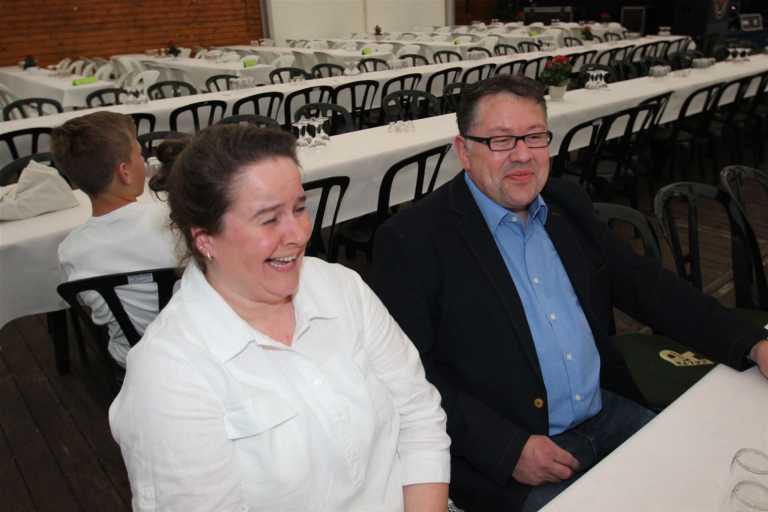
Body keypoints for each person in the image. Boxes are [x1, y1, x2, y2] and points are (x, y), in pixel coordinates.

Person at [370, 75, 768, 511]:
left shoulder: (565, 203)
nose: (523, 155)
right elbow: (409, 377)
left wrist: (751, 342)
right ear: (464, 151)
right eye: (501, 140)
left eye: (535, 136)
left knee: (710, 484)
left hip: (606, 411)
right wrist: (506, 449)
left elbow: (648, 286)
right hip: (515, 453)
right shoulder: (413, 240)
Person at [108, 125, 451, 511]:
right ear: (205, 240)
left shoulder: (339, 287)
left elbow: (419, 415)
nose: (300, 234)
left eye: (299, 208)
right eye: (269, 219)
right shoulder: (168, 373)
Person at [52, 112, 178, 367]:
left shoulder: (69, 250)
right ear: (125, 172)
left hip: (132, 360)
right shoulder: (173, 220)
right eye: (140, 155)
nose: (143, 161)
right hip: (196, 348)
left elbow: (93, 306)